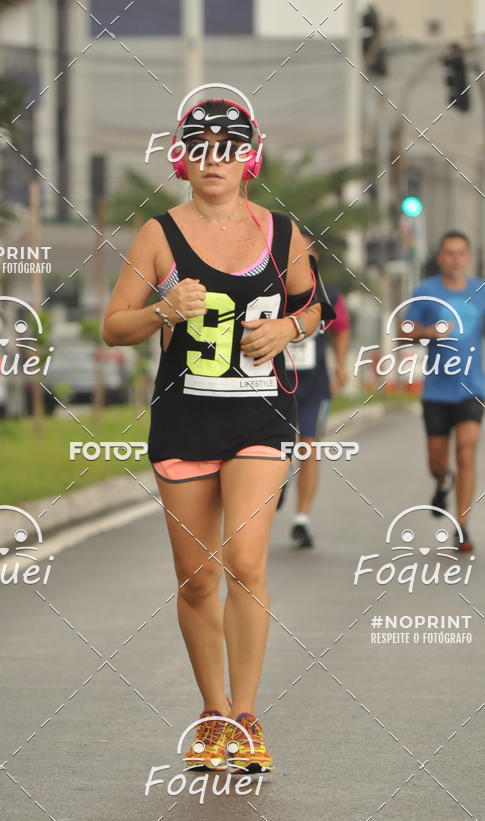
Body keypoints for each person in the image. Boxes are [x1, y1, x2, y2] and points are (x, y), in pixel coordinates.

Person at [102, 97, 322, 773]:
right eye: (200, 149)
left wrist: (288, 328)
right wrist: (162, 309)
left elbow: (316, 305)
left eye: (227, 149)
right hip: (185, 421)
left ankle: (247, 717)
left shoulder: (282, 233)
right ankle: (213, 711)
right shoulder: (159, 235)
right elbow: (114, 325)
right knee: (197, 579)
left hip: (260, 417)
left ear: (249, 158)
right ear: (182, 159)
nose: (213, 161)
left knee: (245, 564)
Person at [405, 230, 485, 552]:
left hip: (471, 386)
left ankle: (462, 526)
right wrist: (428, 331)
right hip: (436, 389)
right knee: (437, 461)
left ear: (468, 257)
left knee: (466, 452)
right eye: (449, 253)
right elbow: (405, 330)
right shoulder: (426, 291)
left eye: (461, 253)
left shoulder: (483, 291)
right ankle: (442, 481)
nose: (455, 259)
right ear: (440, 258)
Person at [279, 256, 350, 548]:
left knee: (309, 447)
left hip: (314, 386)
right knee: (277, 449)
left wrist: (340, 364)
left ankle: (301, 519)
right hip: (276, 384)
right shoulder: (273, 291)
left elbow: (341, 328)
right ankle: (279, 481)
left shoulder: (330, 296)